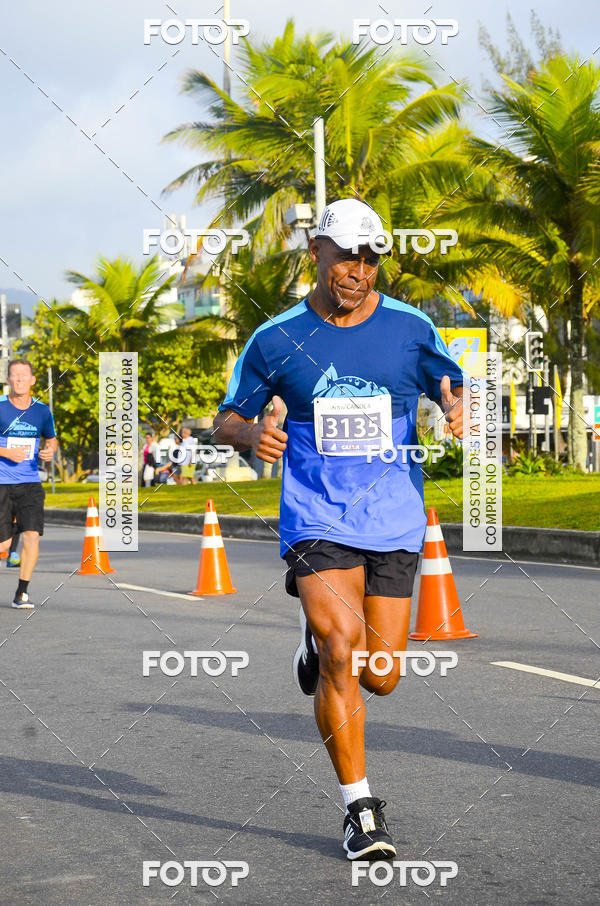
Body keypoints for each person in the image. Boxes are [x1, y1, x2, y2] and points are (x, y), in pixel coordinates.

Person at [213, 198, 465, 861]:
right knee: (340, 645)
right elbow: (227, 418)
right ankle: (360, 809)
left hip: (392, 517)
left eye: (370, 257)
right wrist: (250, 433)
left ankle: (316, 636)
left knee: (381, 673)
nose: (358, 269)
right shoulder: (275, 337)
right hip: (317, 513)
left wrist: (458, 403)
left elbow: (453, 382)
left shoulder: (410, 328)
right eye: (346, 254)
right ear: (316, 250)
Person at [0, 359, 57, 608]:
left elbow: (51, 439)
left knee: (32, 536)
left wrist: (49, 451)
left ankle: (21, 592)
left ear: (33, 380)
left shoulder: (42, 411)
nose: (20, 379)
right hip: (1, 483)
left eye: (24, 375)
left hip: (31, 483)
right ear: (8, 380)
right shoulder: (0, 407)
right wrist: (5, 452)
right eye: (15, 375)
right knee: (3, 544)